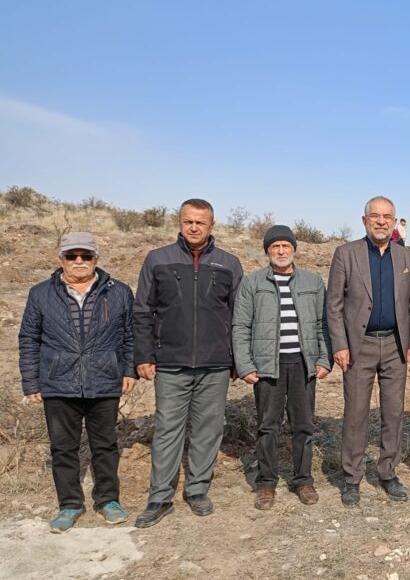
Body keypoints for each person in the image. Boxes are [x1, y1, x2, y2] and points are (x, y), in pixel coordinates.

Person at [133, 199, 243, 528]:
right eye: (188, 221)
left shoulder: (229, 263)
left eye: (201, 222)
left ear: (212, 226)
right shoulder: (157, 259)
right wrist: (143, 355)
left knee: (209, 429)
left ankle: (197, 490)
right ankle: (159, 497)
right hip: (170, 361)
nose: (194, 227)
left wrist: (238, 359)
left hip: (215, 363)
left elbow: (239, 315)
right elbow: (142, 311)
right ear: (179, 223)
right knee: (168, 429)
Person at [18, 232, 137, 532]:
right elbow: (29, 339)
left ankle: (107, 500)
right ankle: (69, 505)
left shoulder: (119, 291)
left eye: (86, 256)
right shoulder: (40, 293)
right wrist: (31, 382)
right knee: (63, 447)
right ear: (61, 260)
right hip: (58, 381)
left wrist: (129, 370)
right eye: (72, 256)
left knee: (106, 445)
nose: (79, 262)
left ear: (97, 258)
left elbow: (131, 335)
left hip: (105, 379)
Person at [327, 196, 410, 506]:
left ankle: (387, 472)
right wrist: (339, 344)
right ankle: (352, 477)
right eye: (375, 216)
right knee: (355, 414)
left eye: (387, 217)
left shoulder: (405, 257)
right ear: (364, 219)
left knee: (393, 413)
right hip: (359, 346)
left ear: (394, 222)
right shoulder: (345, 254)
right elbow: (334, 305)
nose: (381, 221)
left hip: (395, 345)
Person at [233, 225, 332, 510]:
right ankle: (266, 483)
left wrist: (324, 359)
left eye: (285, 246)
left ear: (293, 249)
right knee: (268, 426)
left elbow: (322, 324)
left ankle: (303, 480)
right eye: (274, 246)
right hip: (267, 366)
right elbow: (240, 325)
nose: (280, 251)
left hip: (302, 364)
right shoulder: (252, 283)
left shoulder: (312, 281)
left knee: (304, 425)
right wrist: (245, 365)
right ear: (267, 251)